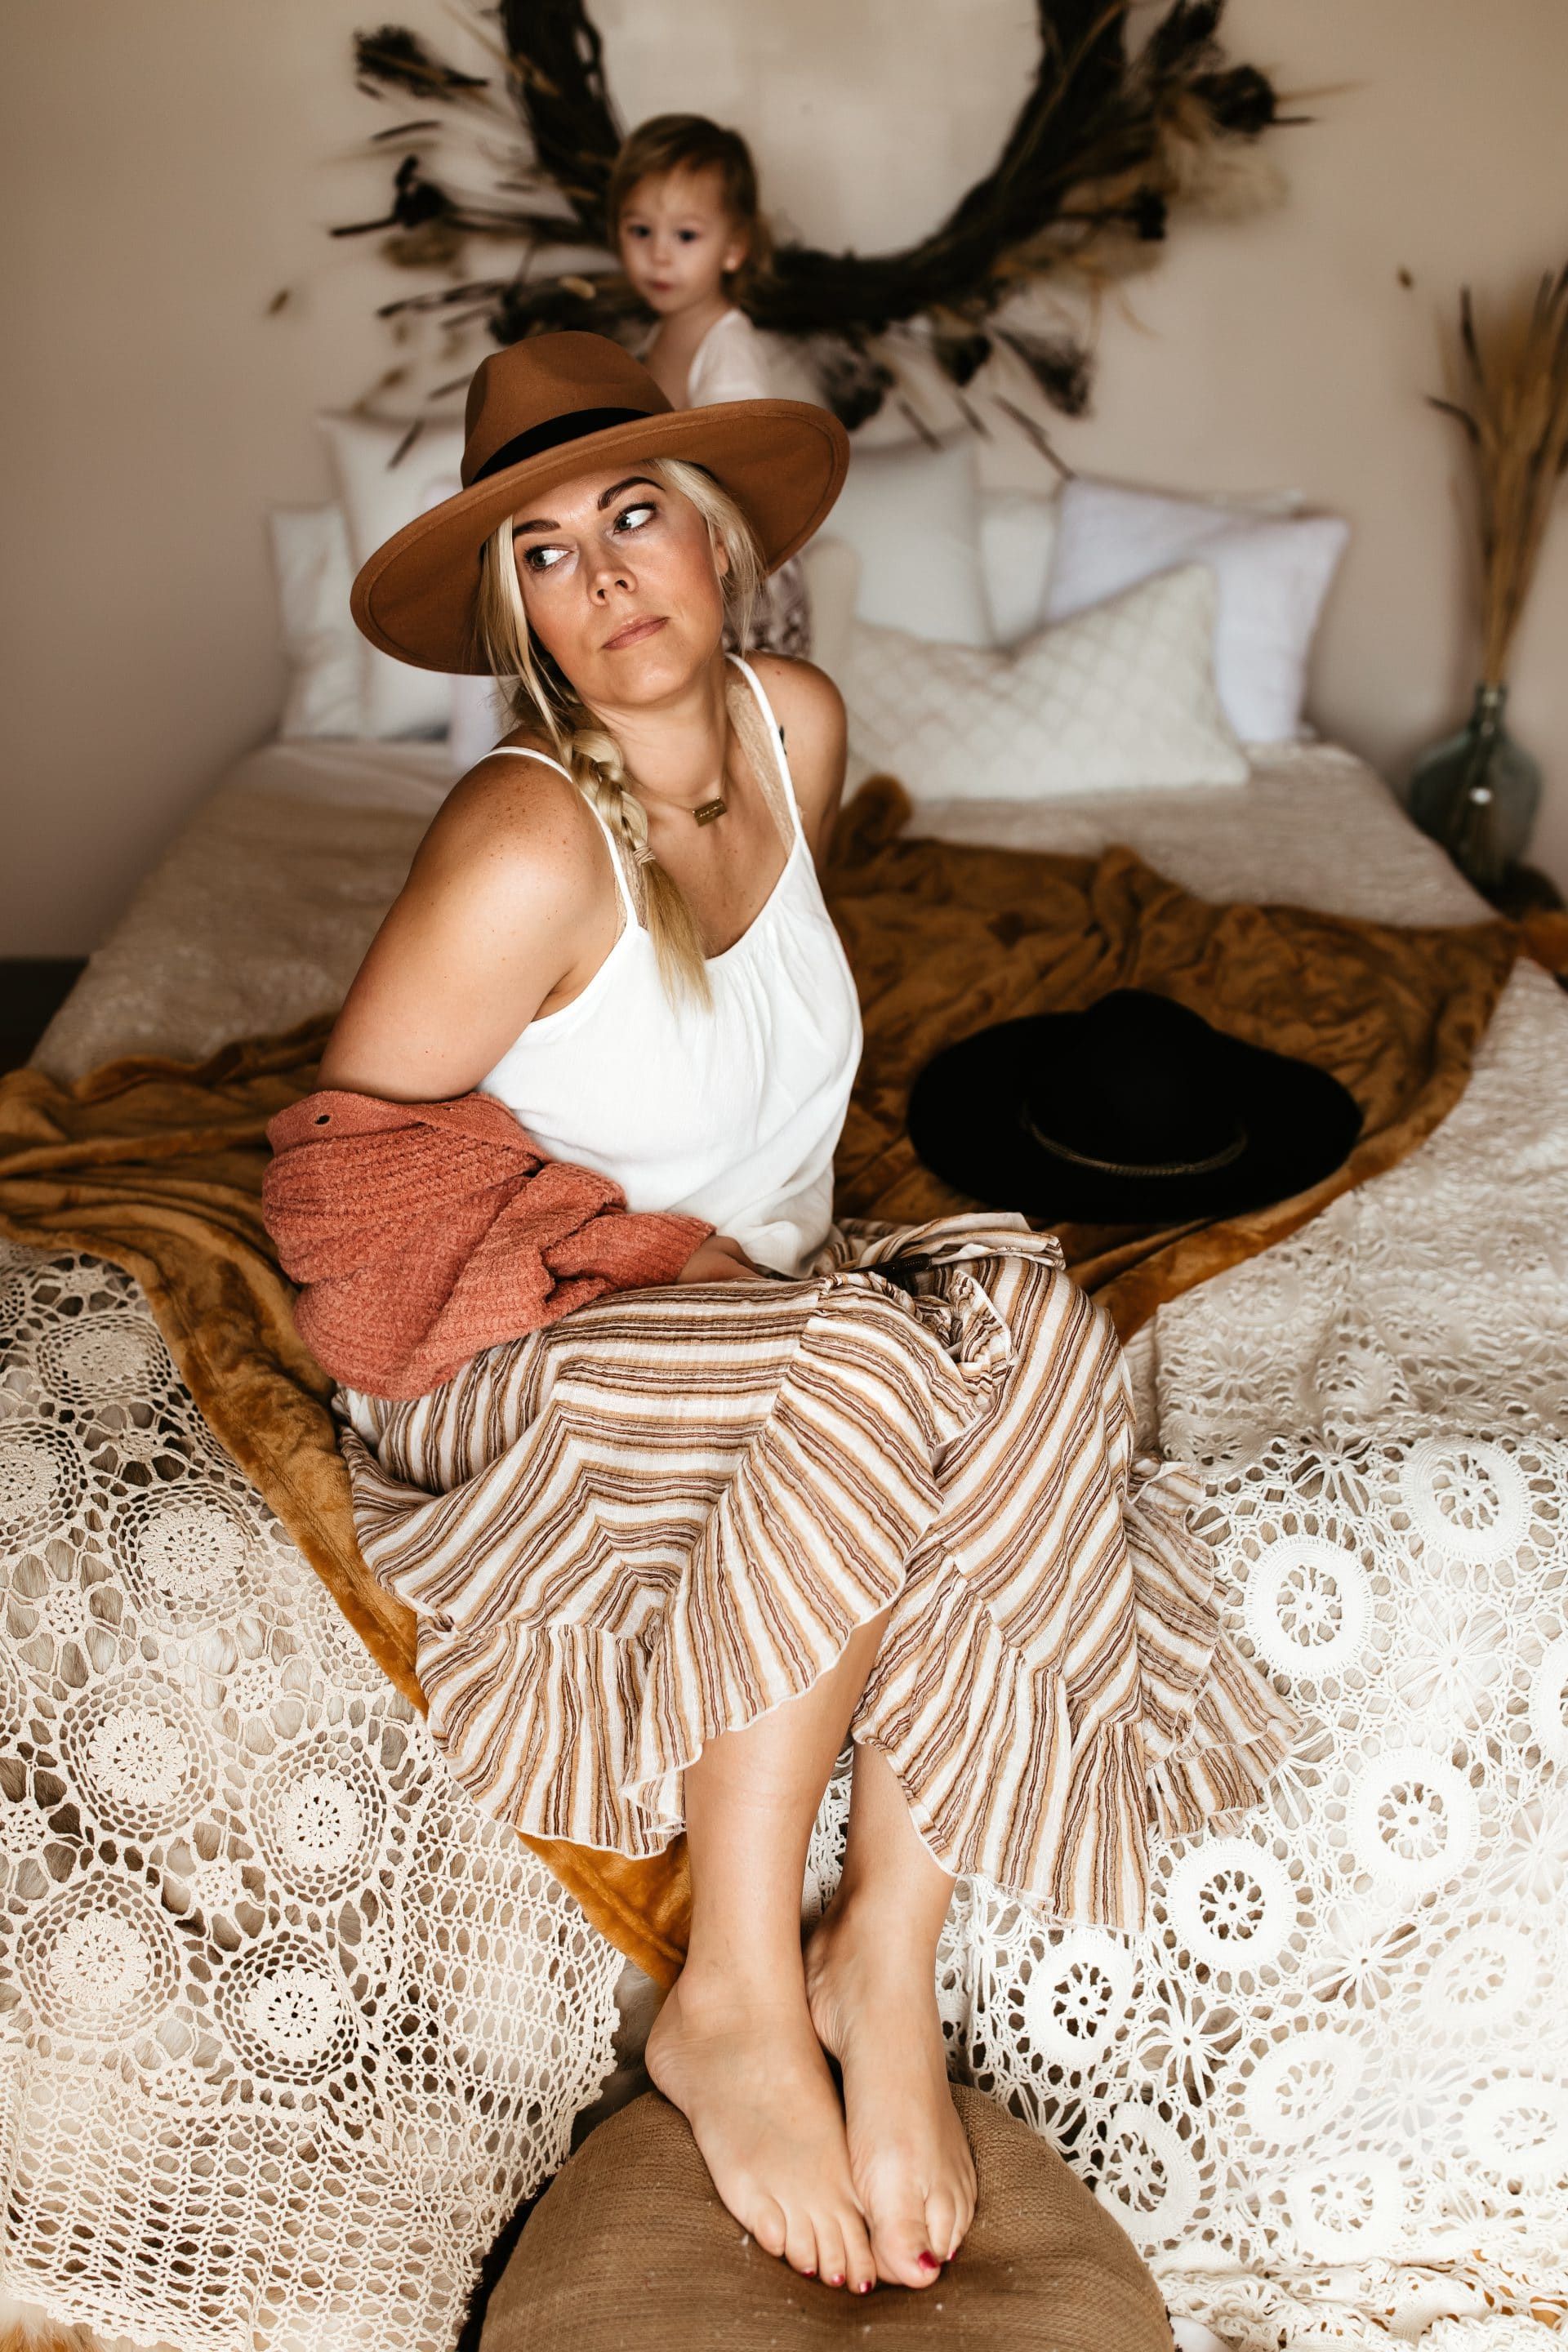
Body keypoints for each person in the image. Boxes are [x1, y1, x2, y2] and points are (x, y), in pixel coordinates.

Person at [291, 332, 1294, 2297]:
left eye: (636, 514)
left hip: (754, 1325)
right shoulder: (516, 843)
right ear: (520, 617)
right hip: (527, 1370)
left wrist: (752, 1267)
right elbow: (343, 1210)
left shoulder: (793, 727)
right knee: (865, 1350)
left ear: (720, 538)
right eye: (550, 555)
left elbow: (749, 1057)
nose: (608, 579)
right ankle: (737, 1992)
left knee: (1025, 1306)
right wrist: (638, 1259)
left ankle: (880, 1960)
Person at [610, 112, 810, 657]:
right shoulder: (659, 336)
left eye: (686, 234)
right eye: (640, 230)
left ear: (734, 248)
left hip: (740, 578)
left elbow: (737, 478)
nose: (660, 254)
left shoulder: (728, 346)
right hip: (684, 558)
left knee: (733, 720)